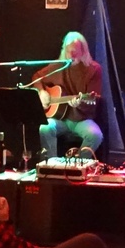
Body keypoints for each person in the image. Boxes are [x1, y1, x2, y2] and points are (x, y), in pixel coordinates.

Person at [33, 31, 103, 159]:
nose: (71, 55)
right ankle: (52, 164)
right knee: (45, 128)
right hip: (60, 119)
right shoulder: (57, 66)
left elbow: (94, 99)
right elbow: (36, 77)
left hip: (81, 119)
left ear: (83, 51)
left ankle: (77, 164)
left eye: (75, 52)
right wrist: (42, 92)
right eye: (68, 51)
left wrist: (79, 103)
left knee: (95, 135)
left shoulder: (93, 69)